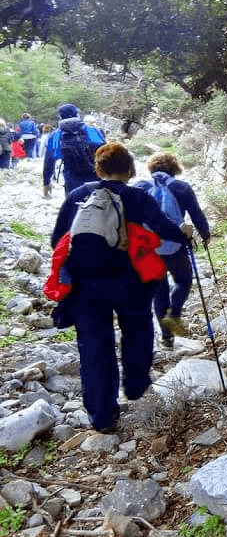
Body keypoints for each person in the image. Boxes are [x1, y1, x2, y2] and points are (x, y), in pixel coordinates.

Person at [50, 143, 193, 433]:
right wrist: (185, 234)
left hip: (84, 284)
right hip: (130, 280)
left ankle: (102, 417)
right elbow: (164, 229)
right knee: (137, 330)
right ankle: (137, 385)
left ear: (97, 169)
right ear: (130, 171)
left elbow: (57, 240)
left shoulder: (78, 195)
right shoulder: (136, 196)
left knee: (94, 348)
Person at [135, 152, 211, 348]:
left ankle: (166, 336)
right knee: (184, 281)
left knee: (158, 291)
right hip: (175, 246)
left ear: (151, 168)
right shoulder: (182, 188)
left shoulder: (140, 187)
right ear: (175, 169)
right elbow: (196, 213)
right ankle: (174, 313)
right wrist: (205, 234)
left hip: (149, 248)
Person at [43, 103, 106, 197]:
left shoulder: (55, 135)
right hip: (95, 176)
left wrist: (46, 183)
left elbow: (49, 161)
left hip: (72, 178)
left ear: (60, 117)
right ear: (78, 115)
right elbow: (106, 152)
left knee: (74, 207)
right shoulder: (92, 130)